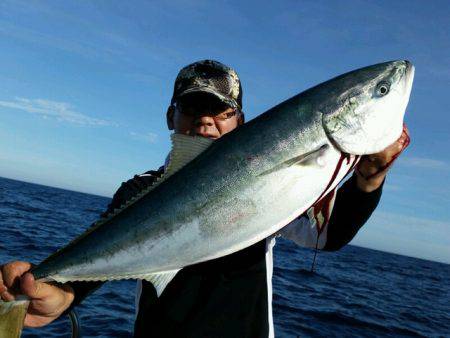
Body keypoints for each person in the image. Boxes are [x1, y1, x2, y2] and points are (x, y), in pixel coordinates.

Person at [0, 60, 410, 337]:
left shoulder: (278, 188)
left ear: (241, 122)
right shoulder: (141, 189)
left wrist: (367, 182)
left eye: (222, 110)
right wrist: (61, 295)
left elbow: (325, 236)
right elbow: (109, 249)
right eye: (192, 107)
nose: (206, 119)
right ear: (170, 117)